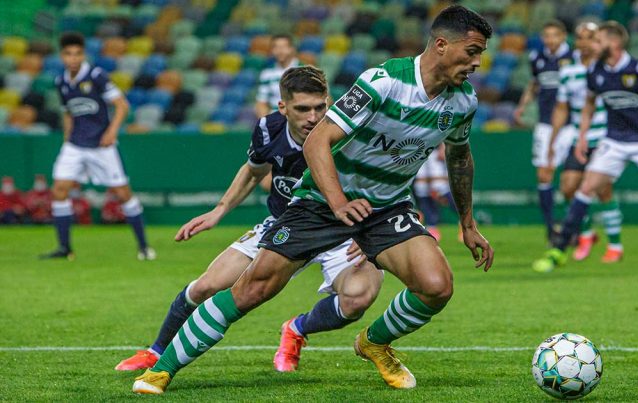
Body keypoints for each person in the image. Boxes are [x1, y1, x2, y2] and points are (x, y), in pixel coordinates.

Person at [132, 5, 494, 394]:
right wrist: (338, 204)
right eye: (471, 52)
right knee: (252, 290)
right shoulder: (384, 81)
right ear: (441, 45)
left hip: (386, 208)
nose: (477, 62)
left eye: (480, 54)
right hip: (322, 202)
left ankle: (373, 343)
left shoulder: (462, 102)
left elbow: (460, 158)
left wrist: (468, 224)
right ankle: (161, 370)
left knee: (436, 285)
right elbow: (319, 139)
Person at [116, 66, 383, 374]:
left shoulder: (349, 132)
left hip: (339, 231)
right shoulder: (269, 129)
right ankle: (155, 351)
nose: (313, 117)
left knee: (357, 299)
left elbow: (381, 179)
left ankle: (296, 329)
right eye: (302, 109)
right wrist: (218, 211)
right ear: (283, 107)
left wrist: (370, 230)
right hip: (284, 225)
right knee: (206, 287)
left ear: (329, 101)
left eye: (319, 107)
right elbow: (253, 171)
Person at [533, 21, 638, 274]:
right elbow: (588, 103)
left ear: (614, 44)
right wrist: (583, 135)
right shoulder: (596, 71)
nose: (591, 46)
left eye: (597, 41)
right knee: (585, 189)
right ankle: (559, 251)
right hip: (614, 141)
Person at [40, 32, 154, 261]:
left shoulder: (96, 76)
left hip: (101, 146)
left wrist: (111, 132)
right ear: (62, 56)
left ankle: (144, 247)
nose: (73, 58)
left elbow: (122, 105)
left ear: (83, 55)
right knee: (59, 189)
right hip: (74, 146)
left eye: (77, 53)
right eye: (68, 54)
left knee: (123, 194)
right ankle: (65, 249)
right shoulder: (61, 81)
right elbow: (68, 114)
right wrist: (66, 141)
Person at [546, 22, 624, 263]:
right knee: (569, 188)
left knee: (603, 191)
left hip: (606, 138)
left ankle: (615, 245)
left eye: (590, 38)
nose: (584, 42)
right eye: (580, 38)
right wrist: (553, 139)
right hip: (581, 138)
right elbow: (562, 107)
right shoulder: (569, 71)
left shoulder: (609, 69)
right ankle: (587, 234)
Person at [514, 20, 575, 243]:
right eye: (546, 36)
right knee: (543, 174)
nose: (550, 40)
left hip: (570, 125)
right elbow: (534, 84)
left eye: (554, 35)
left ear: (563, 36)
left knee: (571, 181)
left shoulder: (574, 59)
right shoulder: (536, 58)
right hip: (545, 124)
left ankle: (575, 225)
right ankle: (551, 228)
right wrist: (523, 104)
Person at [413, 143, 457, 241]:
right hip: (425, 190)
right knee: (429, 214)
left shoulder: (441, 160)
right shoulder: (423, 156)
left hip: (440, 189)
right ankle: (431, 233)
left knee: (457, 206)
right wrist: (432, 189)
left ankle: (467, 227)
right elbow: (422, 178)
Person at [255, 35, 300, 119]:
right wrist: (268, 123)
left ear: (292, 49)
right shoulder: (266, 73)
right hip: (276, 119)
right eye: (276, 47)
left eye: (284, 47)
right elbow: (261, 103)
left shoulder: (304, 70)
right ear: (272, 50)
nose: (280, 51)